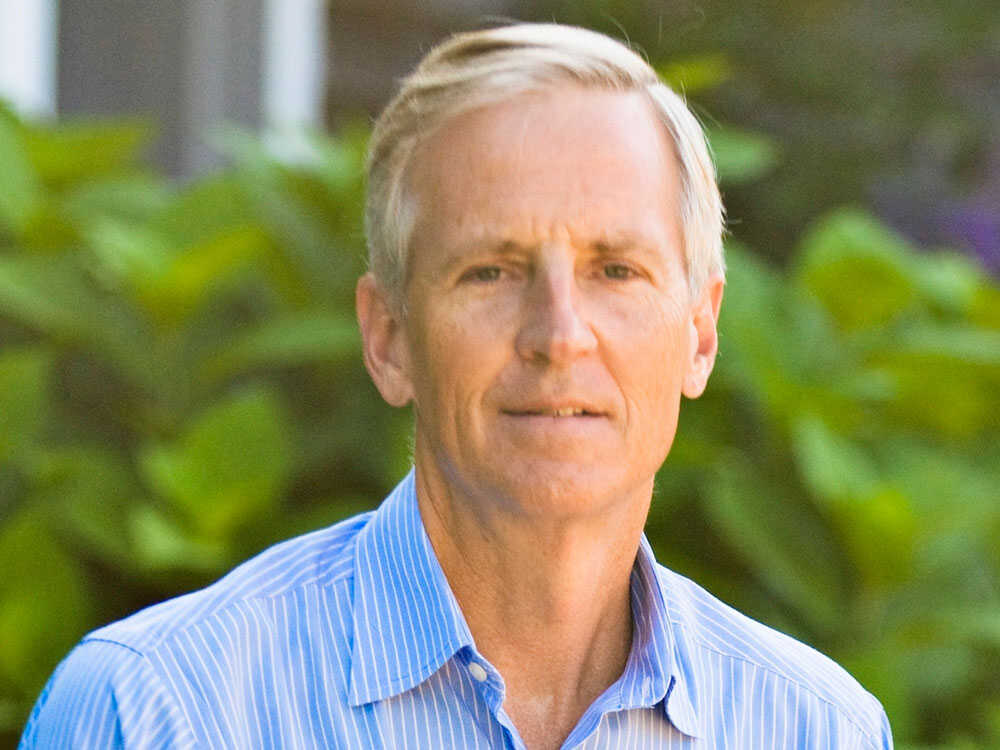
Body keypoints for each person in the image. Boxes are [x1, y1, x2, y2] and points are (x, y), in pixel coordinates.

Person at [20, 23, 892, 749]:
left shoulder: (816, 729)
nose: (559, 334)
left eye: (616, 270)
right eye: (491, 271)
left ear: (699, 335)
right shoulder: (156, 712)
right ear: (389, 339)